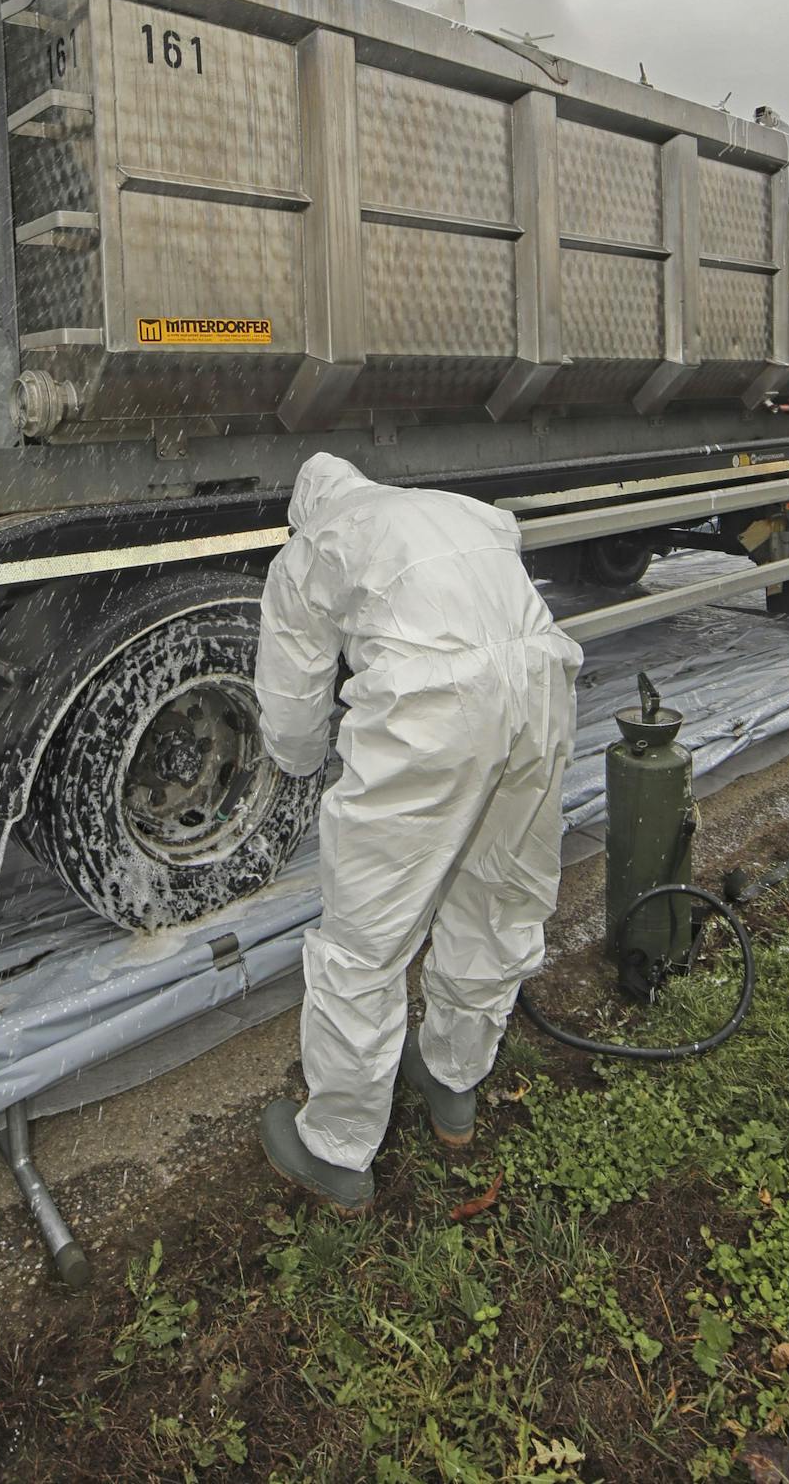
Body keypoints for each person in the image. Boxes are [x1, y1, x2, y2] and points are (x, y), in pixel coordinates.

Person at [253, 452, 581, 1211]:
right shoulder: (454, 504)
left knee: (365, 942)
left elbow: (294, 701)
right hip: (541, 687)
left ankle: (335, 1151)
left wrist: (298, 762)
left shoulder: (312, 548)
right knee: (499, 898)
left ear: (306, 507)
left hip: (432, 709)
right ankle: (452, 1080)